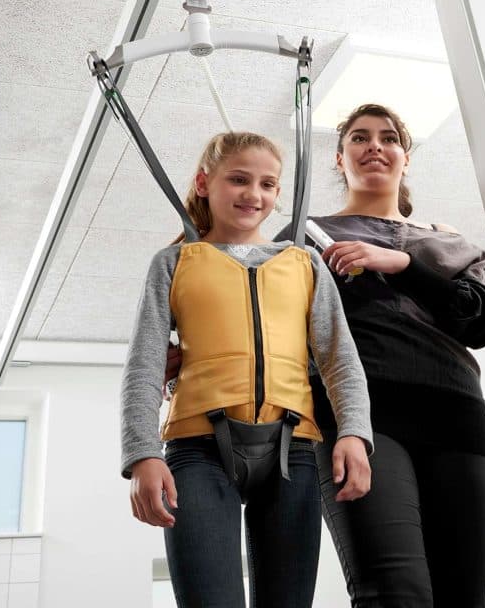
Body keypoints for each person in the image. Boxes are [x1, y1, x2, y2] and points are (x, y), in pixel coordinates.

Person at [120, 130, 372, 608]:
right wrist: (141, 455)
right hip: (197, 451)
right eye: (239, 179)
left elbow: (340, 359)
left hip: (292, 451)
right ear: (202, 182)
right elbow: (144, 364)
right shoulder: (173, 263)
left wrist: (354, 433)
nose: (254, 194)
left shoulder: (304, 264)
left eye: (268, 185)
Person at [279, 103, 485, 608]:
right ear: (340, 159)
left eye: (387, 138)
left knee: (465, 597)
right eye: (359, 138)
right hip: (360, 417)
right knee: (394, 592)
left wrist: (403, 263)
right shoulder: (303, 238)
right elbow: (258, 323)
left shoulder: (446, 242)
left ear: (406, 157)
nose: (374, 147)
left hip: (456, 417)